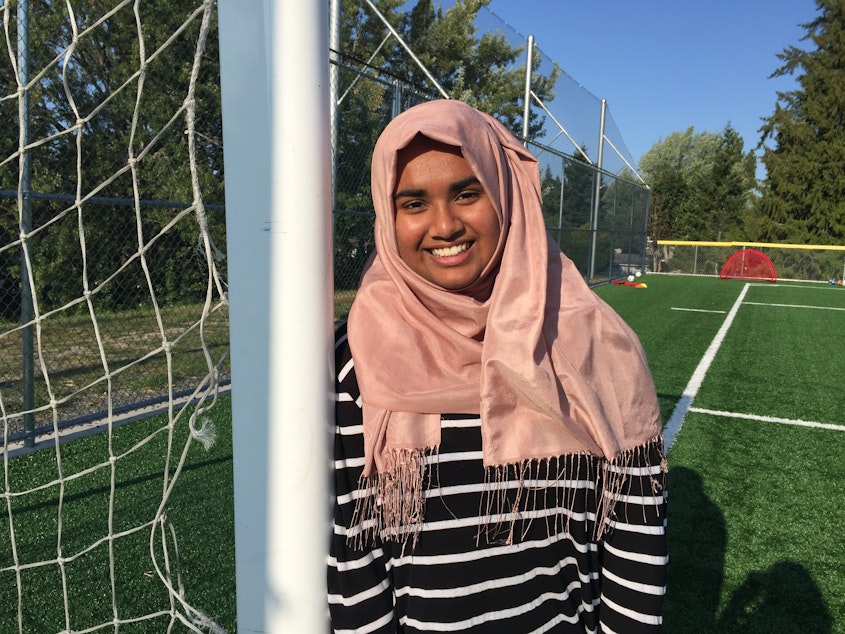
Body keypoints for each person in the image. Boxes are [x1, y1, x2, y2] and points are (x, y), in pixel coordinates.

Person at [328, 99, 667, 633]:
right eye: (413, 203)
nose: (444, 225)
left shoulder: (596, 344)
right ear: (387, 216)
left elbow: (634, 538)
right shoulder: (356, 359)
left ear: (506, 195)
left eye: (467, 193)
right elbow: (352, 561)